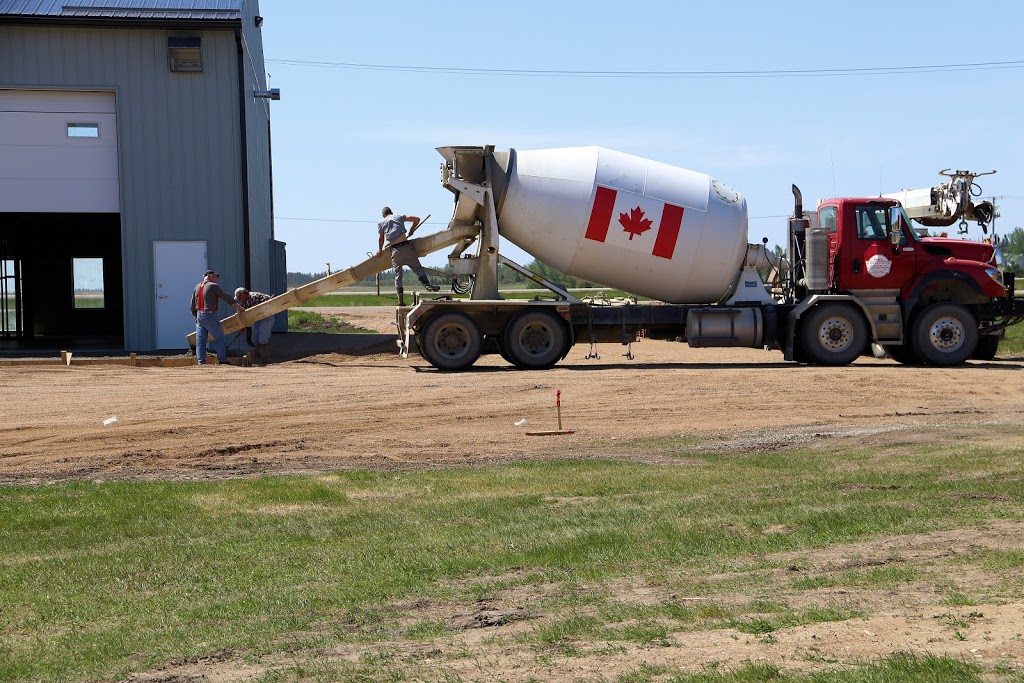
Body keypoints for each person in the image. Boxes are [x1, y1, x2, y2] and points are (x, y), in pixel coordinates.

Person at [378, 206, 439, 305]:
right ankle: (427, 285)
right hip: (406, 248)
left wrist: (380, 250)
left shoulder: (381, 223)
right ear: (391, 212)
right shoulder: (399, 216)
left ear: (384, 215)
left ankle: (400, 300)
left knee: (398, 276)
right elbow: (417, 219)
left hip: (395, 251)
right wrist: (411, 230)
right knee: (418, 268)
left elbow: (381, 239)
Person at [190, 270, 244, 365]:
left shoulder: (197, 287)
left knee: (201, 342)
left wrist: (196, 317)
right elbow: (224, 296)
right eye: (215, 276)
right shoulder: (213, 286)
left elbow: (192, 304)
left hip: (199, 316)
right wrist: (238, 307)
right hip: (209, 315)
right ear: (209, 275)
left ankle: (201, 363)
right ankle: (222, 360)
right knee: (220, 338)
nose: (216, 278)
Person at [234, 287, 273, 360]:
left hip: (266, 317)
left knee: (262, 339)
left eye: (239, 297)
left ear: (244, 294)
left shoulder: (255, 296)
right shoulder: (244, 302)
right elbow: (244, 314)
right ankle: (258, 356)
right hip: (257, 319)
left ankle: (264, 358)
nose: (239, 299)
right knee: (254, 339)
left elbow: (269, 300)